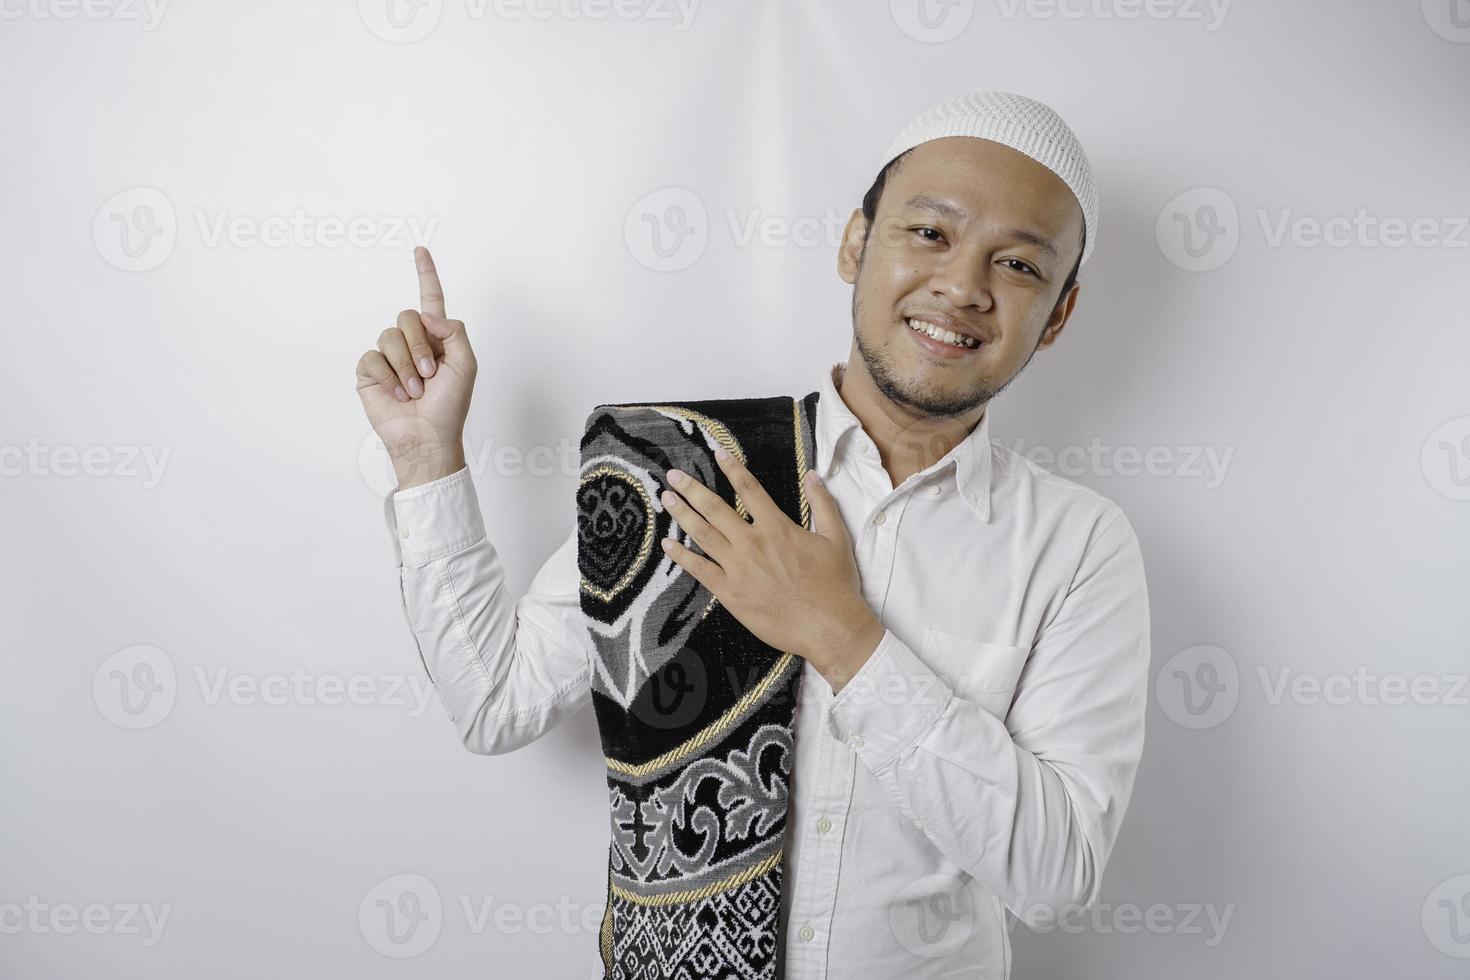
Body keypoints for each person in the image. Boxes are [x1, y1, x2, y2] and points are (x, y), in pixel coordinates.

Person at [354, 91, 1151, 979]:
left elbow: (1057, 873)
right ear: (856, 243)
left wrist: (842, 636)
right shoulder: (683, 469)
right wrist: (428, 458)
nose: (962, 287)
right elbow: (493, 701)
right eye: (930, 233)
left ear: (1062, 313)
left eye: (1018, 265)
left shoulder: (1079, 547)